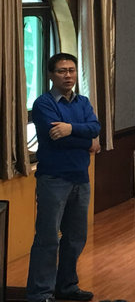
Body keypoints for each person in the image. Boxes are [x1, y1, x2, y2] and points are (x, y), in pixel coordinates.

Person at [26, 53, 100, 302]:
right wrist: (87, 141)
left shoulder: (83, 101)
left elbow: (95, 128)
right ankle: (40, 293)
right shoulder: (43, 104)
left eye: (71, 70)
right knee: (48, 239)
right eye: (61, 71)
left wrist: (71, 129)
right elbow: (55, 139)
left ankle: (66, 286)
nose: (68, 75)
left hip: (81, 178)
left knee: (76, 237)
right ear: (50, 75)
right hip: (54, 180)